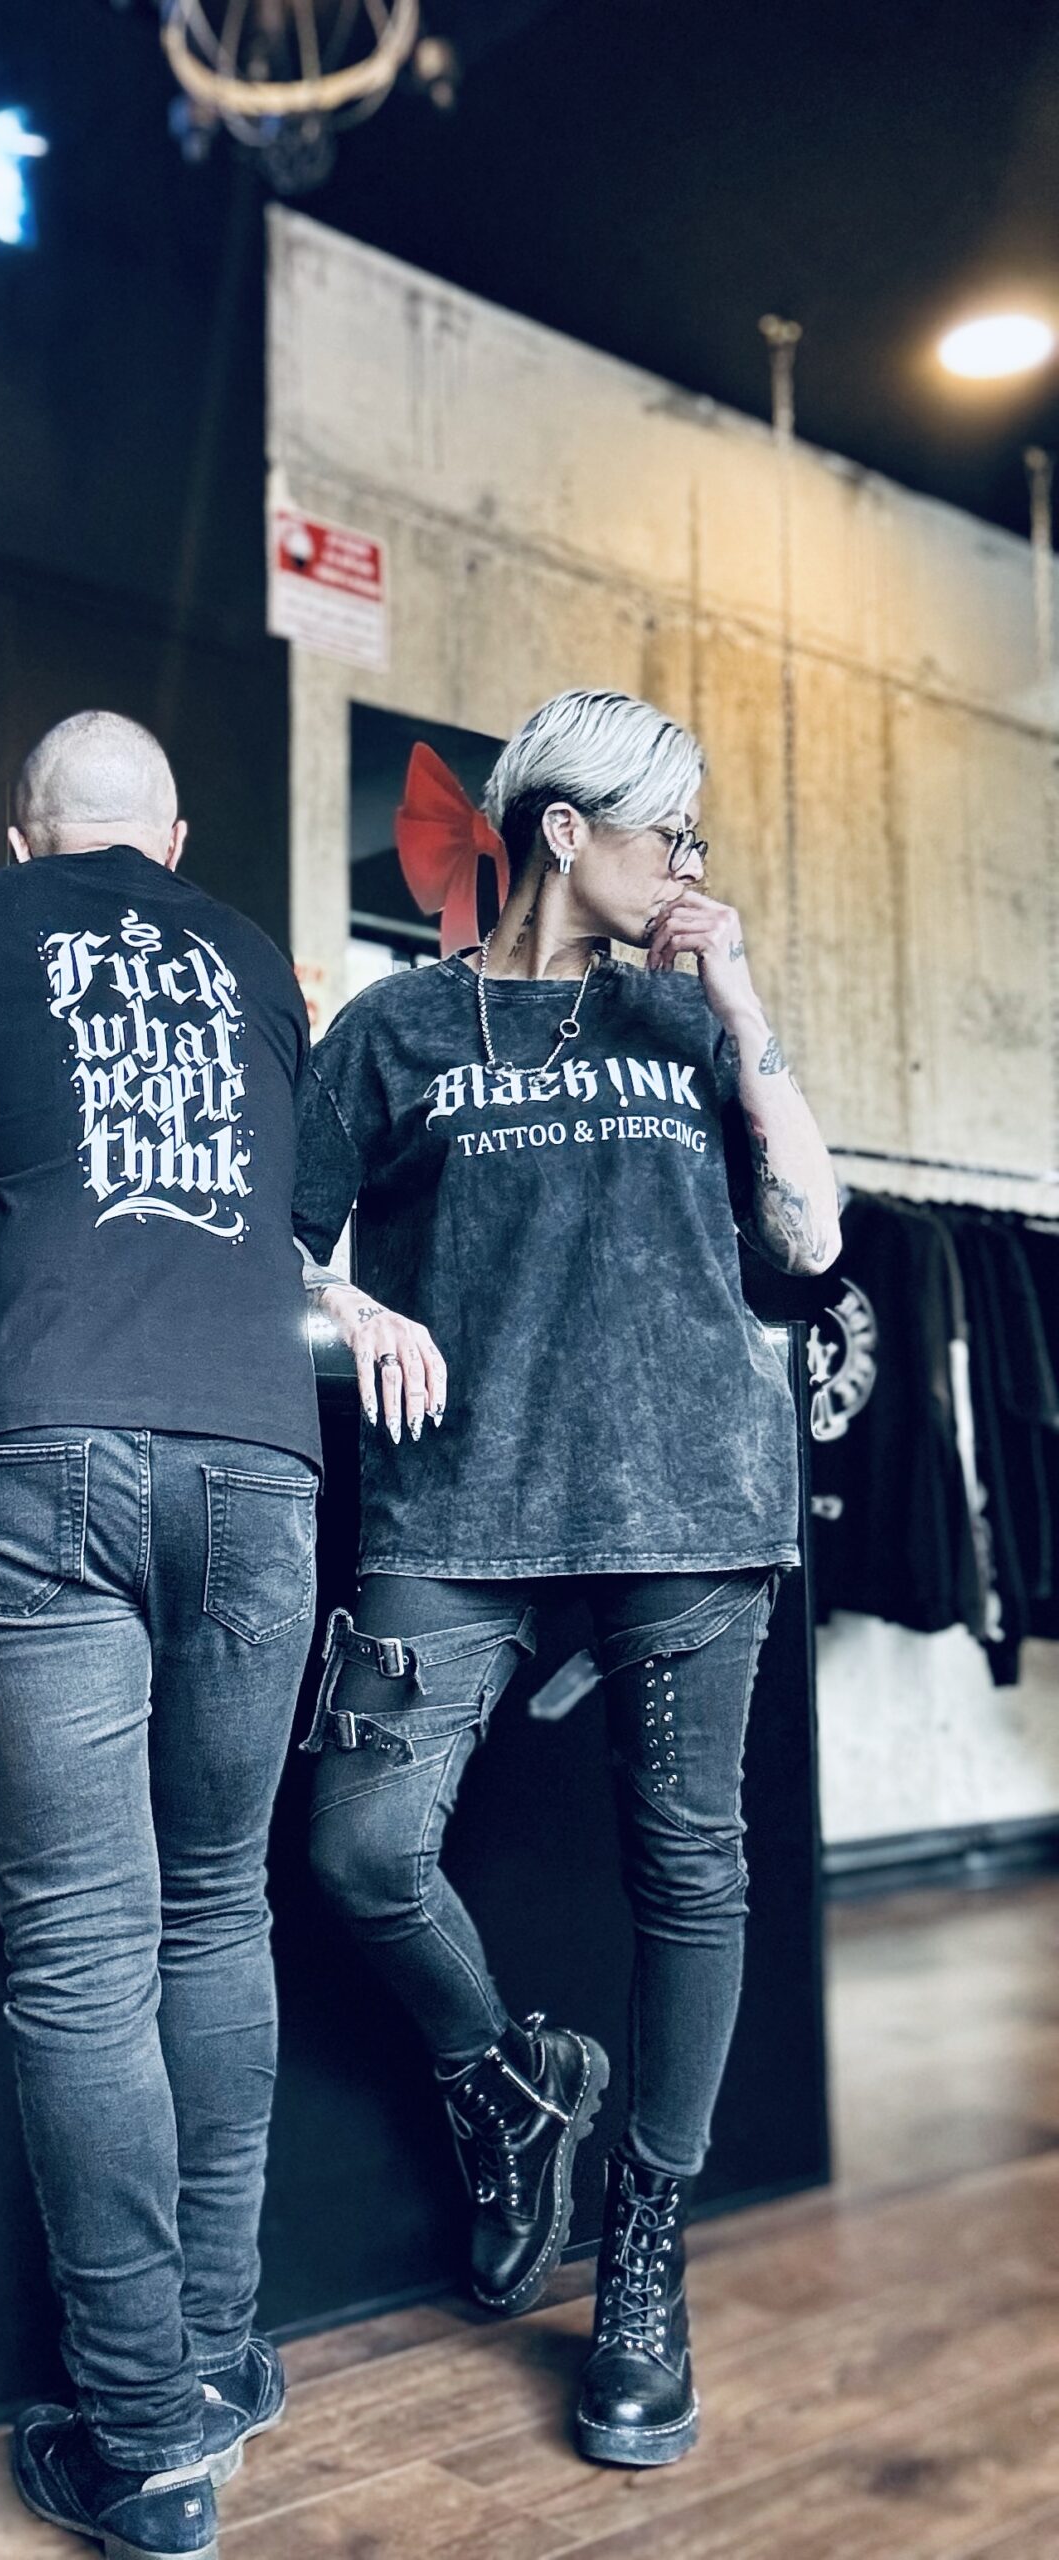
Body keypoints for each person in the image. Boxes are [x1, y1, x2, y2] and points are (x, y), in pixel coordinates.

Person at [294, 688, 839, 2469]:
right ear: (561, 834)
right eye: (665, 835)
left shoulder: (685, 1016)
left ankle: (646, 2253)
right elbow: (277, 1243)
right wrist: (353, 1302)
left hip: (692, 1497)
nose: (687, 866)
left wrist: (739, 999)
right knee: (361, 1851)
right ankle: (510, 2082)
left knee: (689, 1869)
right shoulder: (392, 1029)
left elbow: (811, 1239)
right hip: (458, 1502)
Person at [0, 712, 323, 2560]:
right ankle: (215, 2360)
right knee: (218, 1906)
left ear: (24, 833)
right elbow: (288, 1217)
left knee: (84, 1948)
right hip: (259, 1458)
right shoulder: (261, 961)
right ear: (176, 838)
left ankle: (142, 2442)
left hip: (35, 1438)